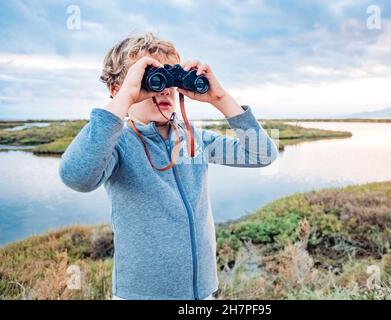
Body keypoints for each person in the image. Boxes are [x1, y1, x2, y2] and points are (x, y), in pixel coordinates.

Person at [59, 32, 278, 300]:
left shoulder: (194, 138)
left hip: (202, 293)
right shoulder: (118, 145)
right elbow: (76, 175)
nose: (163, 89)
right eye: (150, 78)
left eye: (169, 79)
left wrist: (220, 98)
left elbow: (262, 155)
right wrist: (125, 97)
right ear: (118, 90)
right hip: (141, 295)